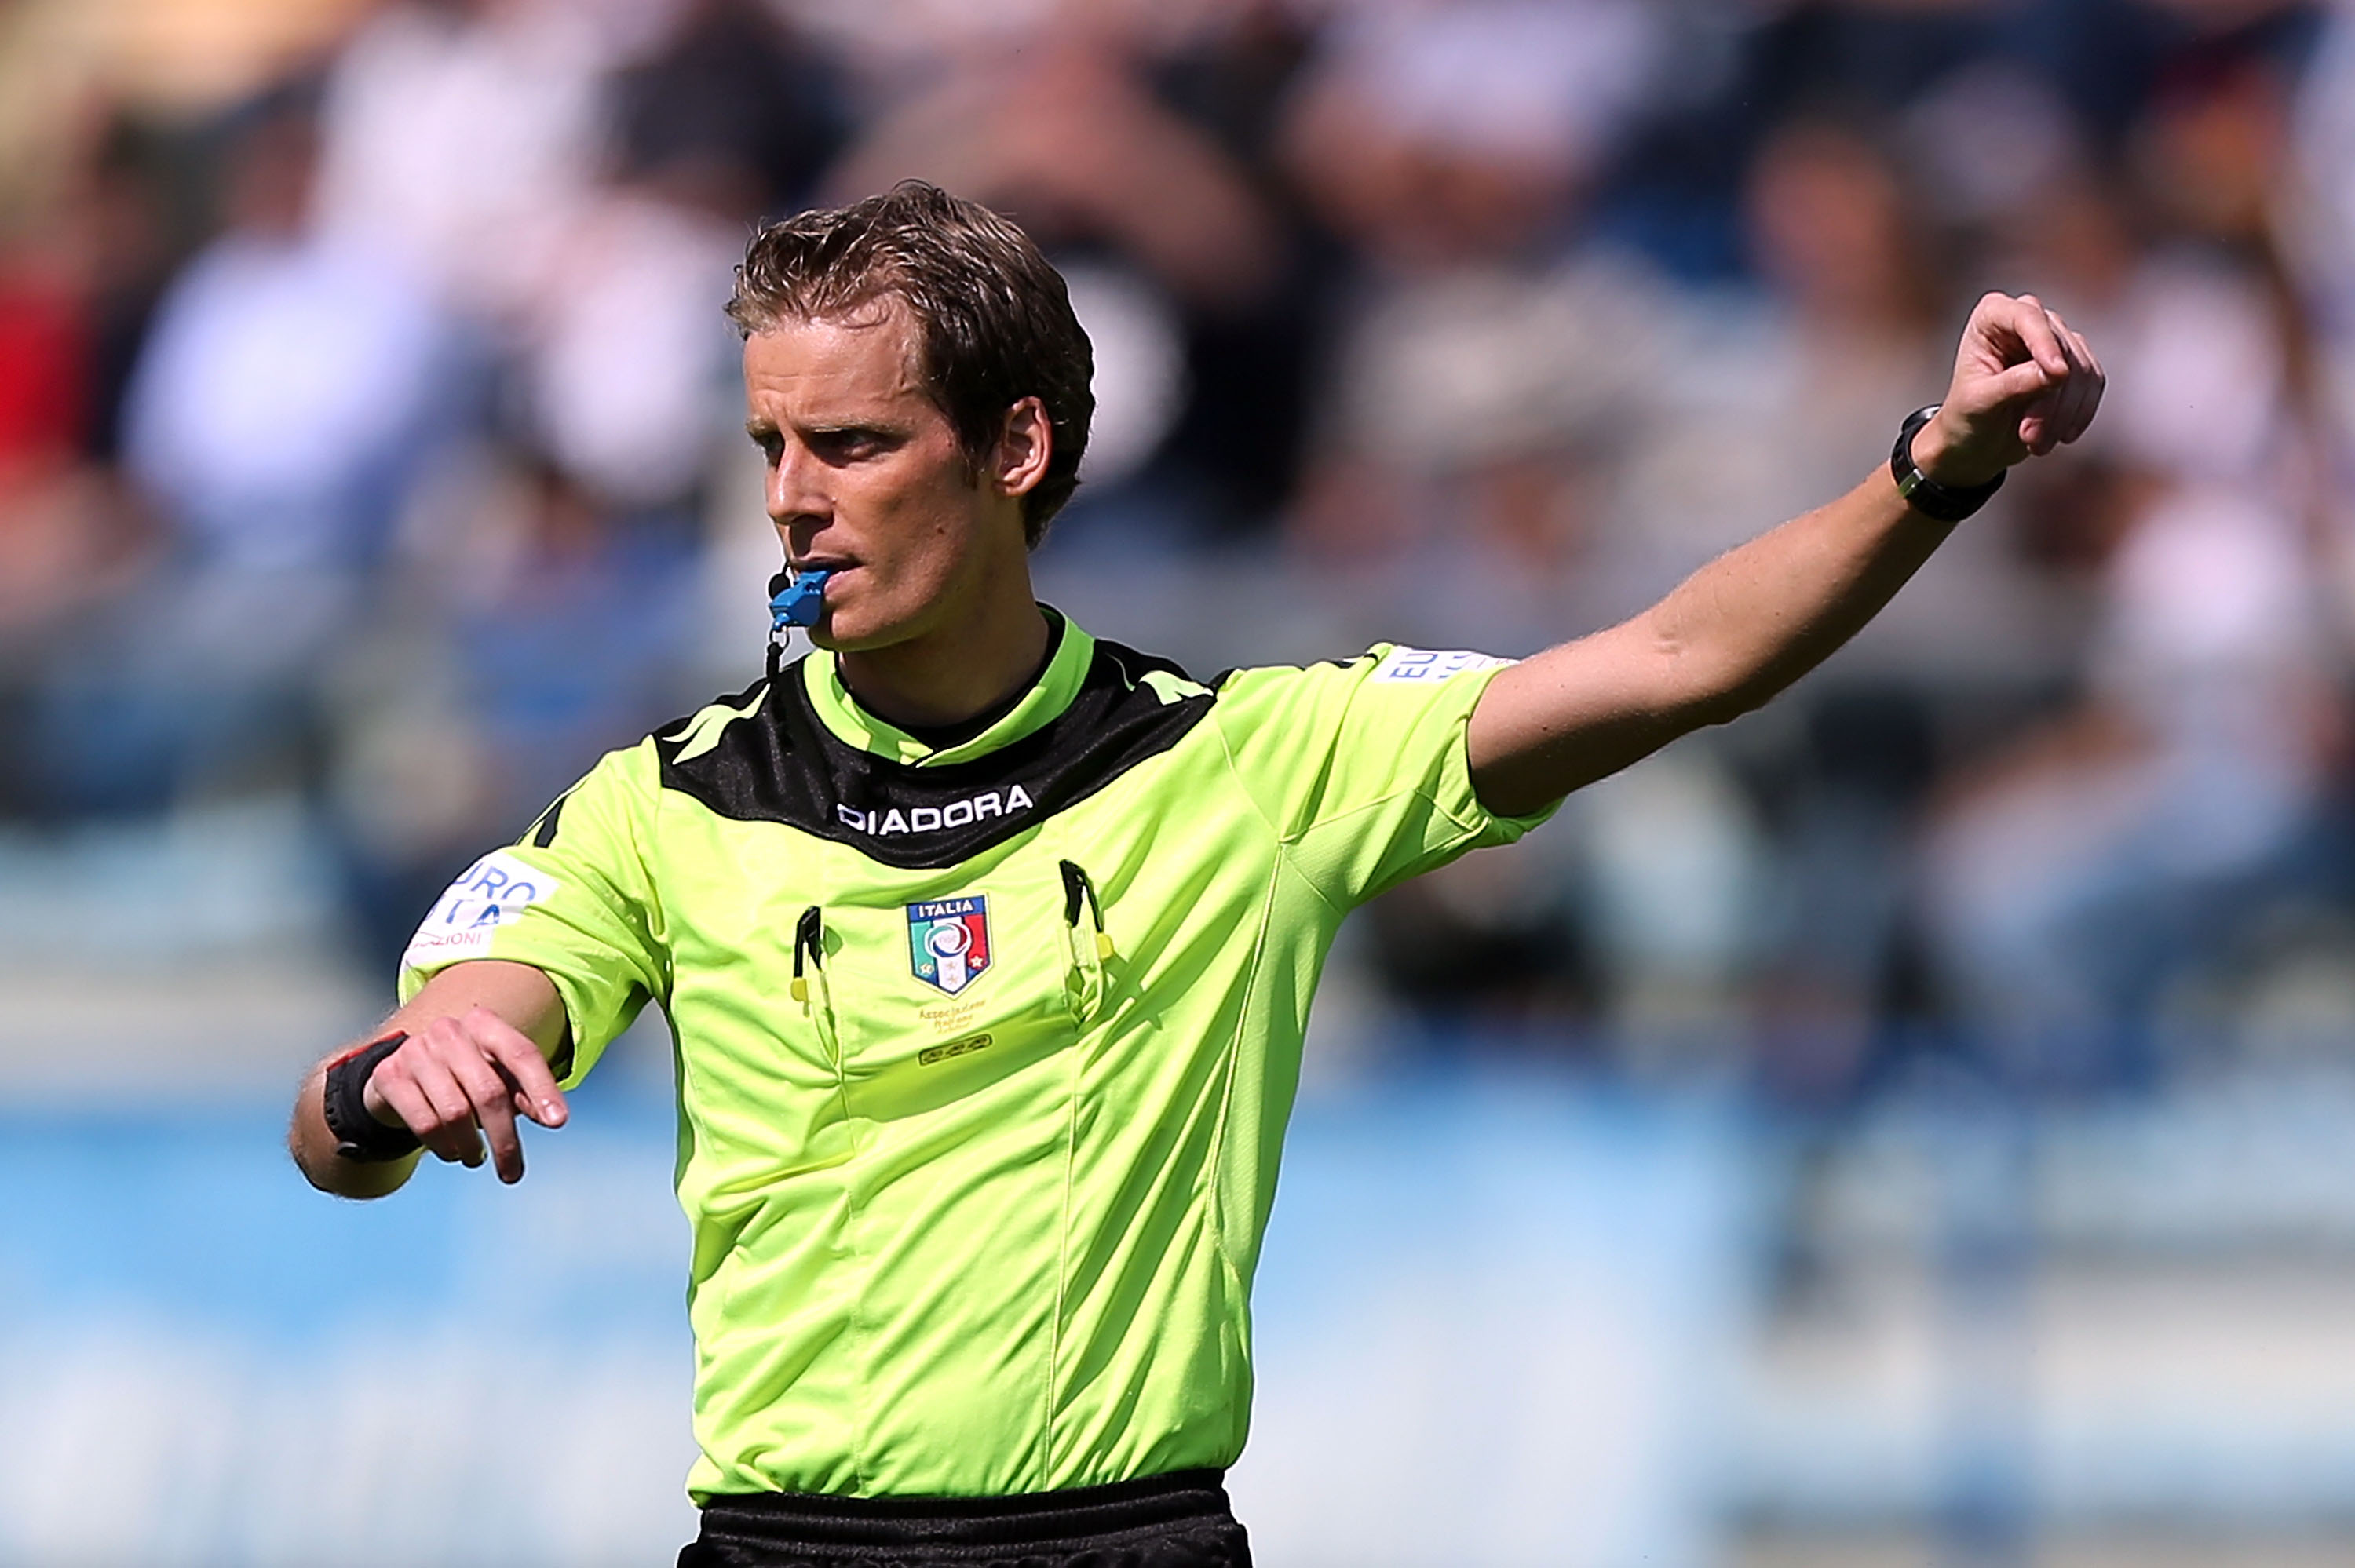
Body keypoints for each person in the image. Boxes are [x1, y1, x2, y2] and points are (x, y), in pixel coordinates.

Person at [287, 181, 2101, 1566]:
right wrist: (400, 1077)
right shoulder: (664, 806)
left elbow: (1676, 663)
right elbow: (383, 1087)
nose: (791, 498)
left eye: (850, 443)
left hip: (1130, 1538)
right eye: (769, 444)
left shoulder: (1248, 766)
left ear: (1015, 452)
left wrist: (1930, 471)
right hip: (780, 1546)